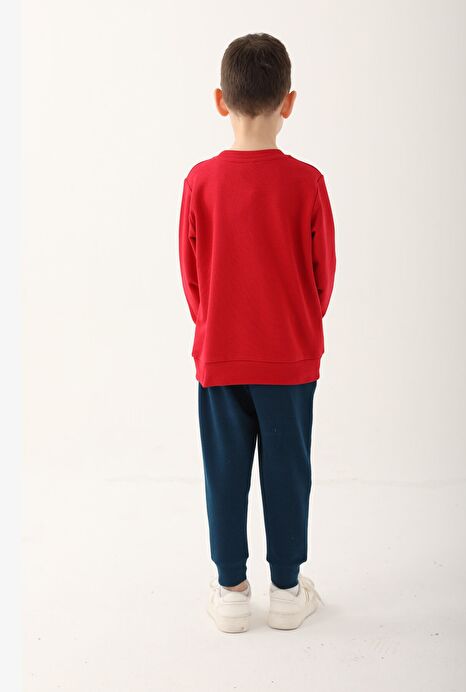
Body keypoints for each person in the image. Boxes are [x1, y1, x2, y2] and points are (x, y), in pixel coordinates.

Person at [178, 32, 336, 633]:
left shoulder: (200, 182)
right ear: (288, 102)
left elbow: (191, 274)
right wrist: (297, 326)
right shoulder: (307, 182)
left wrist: (215, 324)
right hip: (289, 358)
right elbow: (323, 276)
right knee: (288, 471)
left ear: (221, 100)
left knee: (224, 472)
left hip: (220, 357)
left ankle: (232, 591)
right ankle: (288, 590)